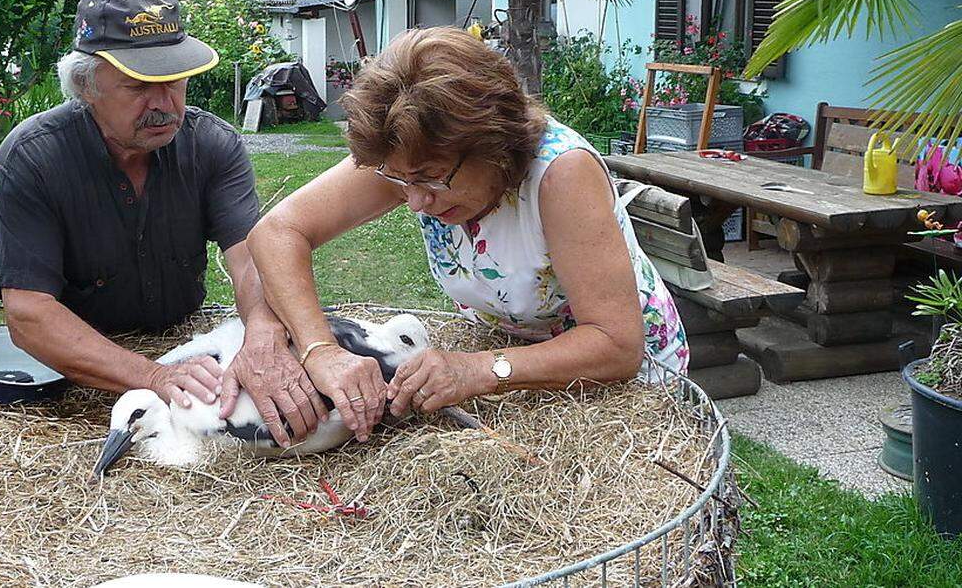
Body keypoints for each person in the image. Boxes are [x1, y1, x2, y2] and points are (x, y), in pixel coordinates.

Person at [248, 27, 689, 444]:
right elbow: (277, 232)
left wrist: (478, 371)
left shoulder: (560, 174)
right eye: (401, 182)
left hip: (623, 388)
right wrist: (320, 349)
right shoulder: (410, 160)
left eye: (433, 180)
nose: (416, 202)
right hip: (516, 356)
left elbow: (615, 346)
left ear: (493, 145)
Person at [0, 0, 326, 448]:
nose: (164, 103)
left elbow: (253, 257)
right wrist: (155, 376)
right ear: (86, 86)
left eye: (175, 80)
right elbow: (28, 314)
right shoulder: (33, 158)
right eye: (140, 86)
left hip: (183, 335)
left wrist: (263, 334)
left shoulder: (212, 144)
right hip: (78, 368)